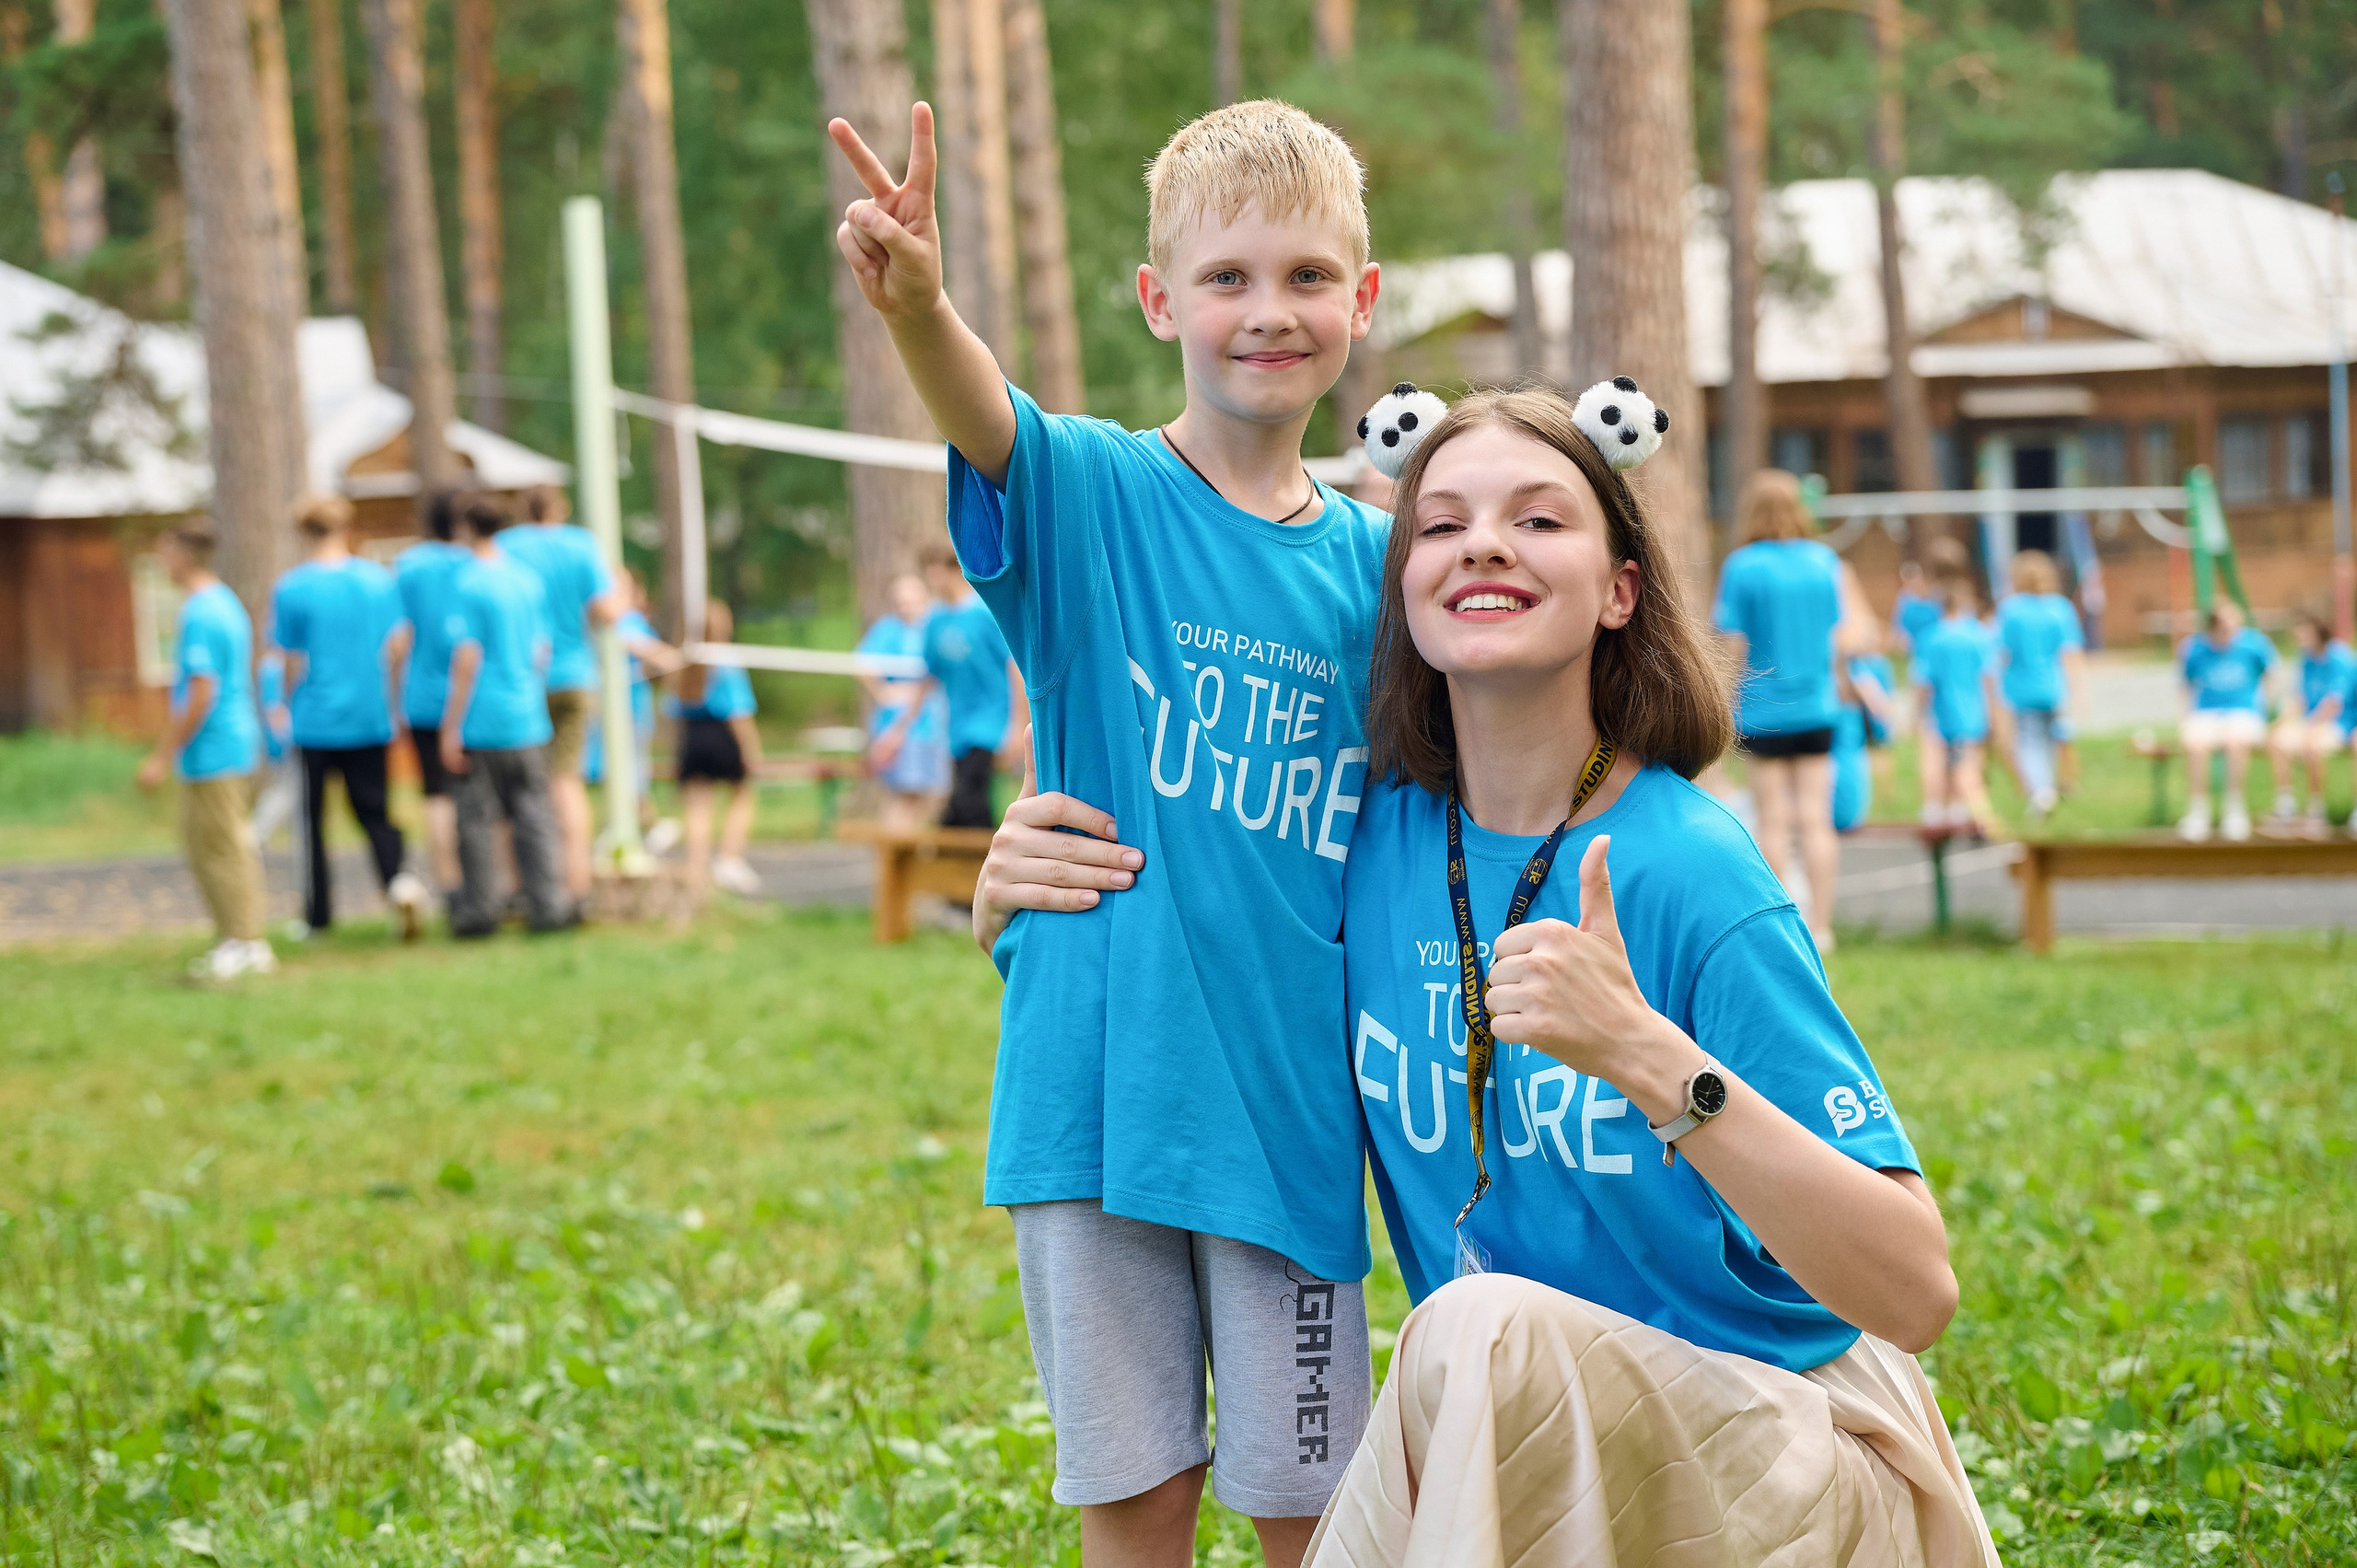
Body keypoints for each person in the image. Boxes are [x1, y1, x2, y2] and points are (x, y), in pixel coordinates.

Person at [979, 389, 1994, 1567]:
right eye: (1442, 524)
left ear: (1619, 589)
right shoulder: (1368, 849)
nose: (1485, 546)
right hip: (1541, 1448)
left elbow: (1914, 1289)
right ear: (1401, 590)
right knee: (1479, 1345)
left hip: (1794, 1446)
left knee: (1475, 1329)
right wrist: (1011, 898)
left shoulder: (1690, 868)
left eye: (1539, 519)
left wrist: (1649, 1057)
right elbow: (1211, 901)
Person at [828, 97, 1389, 1562]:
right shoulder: (1095, 494)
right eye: (1226, 276)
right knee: (1134, 1507)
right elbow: (986, 413)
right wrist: (921, 307)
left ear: (1362, 301)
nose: (1268, 311)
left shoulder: (1385, 568)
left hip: (1291, 1111)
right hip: (1093, 1093)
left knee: (1311, 1511)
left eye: (1307, 275)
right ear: (1158, 299)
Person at [269, 495, 429, 940]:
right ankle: (399, 882)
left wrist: (282, 702)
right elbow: (398, 644)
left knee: (313, 824)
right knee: (375, 813)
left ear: (304, 532)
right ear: (345, 527)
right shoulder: (377, 581)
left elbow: (290, 657)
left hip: (314, 720)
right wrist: (390, 697)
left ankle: (317, 917)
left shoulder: (292, 588)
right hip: (369, 715)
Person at [1713, 469, 1849, 950]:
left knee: (1772, 820)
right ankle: (1823, 925)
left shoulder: (1743, 566)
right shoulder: (1823, 562)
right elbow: (1837, 635)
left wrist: (1722, 704)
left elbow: (1735, 647)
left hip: (1763, 712)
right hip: (1817, 708)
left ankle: (1784, 926)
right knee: (1816, 819)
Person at [138, 519, 273, 981]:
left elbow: (201, 691)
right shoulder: (223, 601)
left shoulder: (200, 613)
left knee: (221, 847)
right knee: (214, 844)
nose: (161, 563)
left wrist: (162, 755)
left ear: (183, 555)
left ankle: (244, 941)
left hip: (216, 747)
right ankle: (238, 938)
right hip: (228, 743)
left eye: (164, 553)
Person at [440, 492, 577, 936]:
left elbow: (467, 657)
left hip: (483, 718)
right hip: (527, 716)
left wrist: (450, 726)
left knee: (477, 820)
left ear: (465, 528)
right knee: (535, 816)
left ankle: (481, 911)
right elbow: (541, 651)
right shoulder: (526, 580)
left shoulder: (467, 583)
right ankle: (549, 905)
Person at [499, 482, 624, 900]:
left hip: (521, 682)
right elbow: (606, 611)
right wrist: (622, 591)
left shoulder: (506, 547)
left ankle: (520, 885)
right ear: (560, 507)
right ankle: (576, 884)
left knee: (518, 788)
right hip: (573, 677)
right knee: (566, 784)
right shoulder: (581, 545)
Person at [874, 542, 1026, 830]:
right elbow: (927, 678)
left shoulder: (985, 613)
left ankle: (974, 852)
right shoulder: (935, 621)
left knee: (970, 800)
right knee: (960, 808)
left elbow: (1014, 668)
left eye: (938, 569)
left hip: (989, 723)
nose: (933, 577)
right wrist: (898, 730)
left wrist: (1017, 728)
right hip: (957, 727)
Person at [395, 488, 471, 892]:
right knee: (479, 796)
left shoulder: (409, 566)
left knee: (436, 793)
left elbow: (398, 638)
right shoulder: (475, 564)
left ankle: (449, 884)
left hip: (422, 697)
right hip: (473, 698)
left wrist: (393, 697)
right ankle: (486, 882)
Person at [668, 599, 764, 899]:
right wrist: (751, 750)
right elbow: (739, 712)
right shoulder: (726, 660)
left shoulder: (682, 662)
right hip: (722, 736)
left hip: (692, 736)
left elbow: (671, 710)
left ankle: (695, 868)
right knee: (742, 795)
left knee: (698, 805)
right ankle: (729, 858)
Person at [2177, 599, 2278, 842]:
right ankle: (2198, 809)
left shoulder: (2254, 644)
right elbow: (2185, 684)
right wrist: (2186, 716)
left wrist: (2266, 710)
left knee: (2235, 742)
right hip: (2207, 712)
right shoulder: (2194, 648)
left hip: (2243, 711)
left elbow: (2271, 675)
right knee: (2195, 744)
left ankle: (2234, 808)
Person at [856, 570, 950, 831]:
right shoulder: (887, 630)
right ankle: (894, 851)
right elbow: (864, 663)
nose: (906, 606)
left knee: (927, 795)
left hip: (930, 725)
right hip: (898, 726)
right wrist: (884, 692)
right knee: (902, 794)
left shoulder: (934, 626)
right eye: (900, 601)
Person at [1993, 548, 2084, 820]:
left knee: (2028, 742)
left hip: (2021, 688)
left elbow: (2002, 653)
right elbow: (2070, 653)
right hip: (2052, 686)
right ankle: (2048, 786)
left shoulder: (2010, 610)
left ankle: (2041, 791)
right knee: (2050, 739)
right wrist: (2077, 690)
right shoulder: (2060, 608)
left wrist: (1995, 689)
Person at [1911, 579, 2002, 838]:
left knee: (1935, 761)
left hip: (1940, 711)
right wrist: (1993, 714)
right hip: (1971, 712)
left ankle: (1934, 810)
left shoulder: (1931, 637)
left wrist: (1917, 714)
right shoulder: (1978, 636)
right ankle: (1968, 812)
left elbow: (1924, 682)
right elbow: (1988, 679)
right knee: (1968, 765)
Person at [2264, 612, 2351, 837]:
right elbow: (2300, 698)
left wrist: (2308, 728)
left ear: (2316, 631)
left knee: (2311, 745)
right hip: (2312, 720)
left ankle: (2316, 809)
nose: (2297, 635)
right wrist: (2284, 720)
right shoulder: (2306, 658)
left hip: (2341, 722)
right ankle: (2286, 805)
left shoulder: (2340, 658)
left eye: (2302, 630)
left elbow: (2334, 703)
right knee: (2277, 740)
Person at [1832, 635, 1897, 834]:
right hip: (1848, 750)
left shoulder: (1838, 672)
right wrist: (1884, 731)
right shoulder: (1858, 670)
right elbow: (1881, 708)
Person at [249, 647, 298, 848]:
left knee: (295, 792)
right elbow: (273, 709)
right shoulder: (272, 667)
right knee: (284, 791)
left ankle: (300, 838)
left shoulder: (272, 666)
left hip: (278, 739)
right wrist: (287, 739)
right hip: (282, 742)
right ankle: (256, 833)